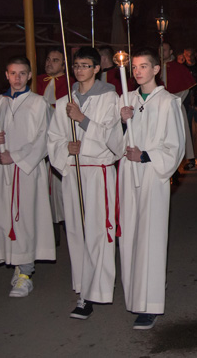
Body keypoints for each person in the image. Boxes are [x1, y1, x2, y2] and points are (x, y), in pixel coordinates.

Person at [47, 47, 123, 320]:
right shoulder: (64, 102)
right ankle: (83, 289)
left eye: (85, 65)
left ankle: (96, 290)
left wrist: (82, 119)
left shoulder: (109, 97)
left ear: (96, 68)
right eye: (76, 65)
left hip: (98, 172)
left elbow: (114, 139)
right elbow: (53, 138)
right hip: (73, 172)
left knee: (98, 232)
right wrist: (66, 148)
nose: (79, 70)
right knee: (76, 233)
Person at [0, 55, 54, 298]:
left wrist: (17, 156)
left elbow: (45, 139)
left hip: (28, 171)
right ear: (6, 76)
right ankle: (16, 263)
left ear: (29, 76)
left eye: (22, 73)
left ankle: (25, 274)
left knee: (25, 219)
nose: (17, 78)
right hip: (2, 171)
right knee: (3, 218)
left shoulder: (39, 104)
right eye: (12, 73)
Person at [118, 48, 186, 330]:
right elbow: (112, 143)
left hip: (153, 176)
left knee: (151, 237)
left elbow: (176, 146)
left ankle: (150, 304)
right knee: (129, 236)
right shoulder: (126, 100)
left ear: (156, 69)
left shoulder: (169, 102)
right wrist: (122, 123)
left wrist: (145, 155)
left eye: (143, 66)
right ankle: (135, 293)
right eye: (134, 67)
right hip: (128, 174)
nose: (137, 72)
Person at [36, 47, 71, 243]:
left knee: (60, 189)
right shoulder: (37, 81)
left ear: (64, 65)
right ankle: (49, 232)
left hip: (60, 140)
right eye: (48, 59)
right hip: (39, 140)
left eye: (55, 60)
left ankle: (67, 227)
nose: (49, 63)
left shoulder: (70, 83)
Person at [159, 42, 196, 173]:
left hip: (175, 106)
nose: (162, 52)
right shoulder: (155, 67)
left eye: (164, 50)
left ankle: (182, 163)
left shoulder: (179, 68)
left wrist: (172, 100)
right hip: (158, 109)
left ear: (171, 52)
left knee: (179, 136)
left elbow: (185, 89)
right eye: (160, 50)